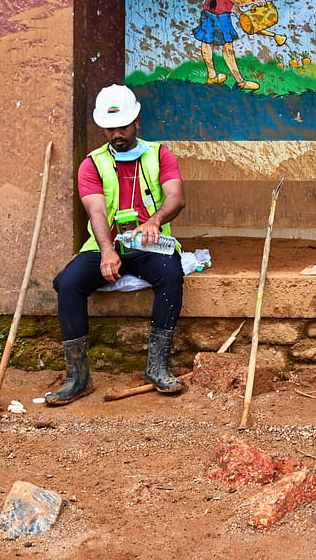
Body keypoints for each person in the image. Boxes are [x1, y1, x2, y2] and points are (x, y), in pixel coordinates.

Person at [45, 84, 187, 405]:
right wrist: (107, 250)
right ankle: (78, 377)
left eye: (122, 125)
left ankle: (157, 367)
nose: (116, 133)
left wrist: (154, 221)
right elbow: (96, 211)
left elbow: (177, 198)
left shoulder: (159, 154)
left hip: (149, 243)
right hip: (106, 246)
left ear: (137, 121)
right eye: (110, 128)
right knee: (68, 282)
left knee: (171, 274)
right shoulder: (91, 164)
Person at [194, 0, 265, 90]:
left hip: (214, 16)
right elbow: (238, 1)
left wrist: (241, 16)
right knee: (226, 49)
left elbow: (230, 3)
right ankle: (239, 80)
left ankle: (212, 75)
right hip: (217, 18)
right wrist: (255, 0)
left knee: (209, 44)